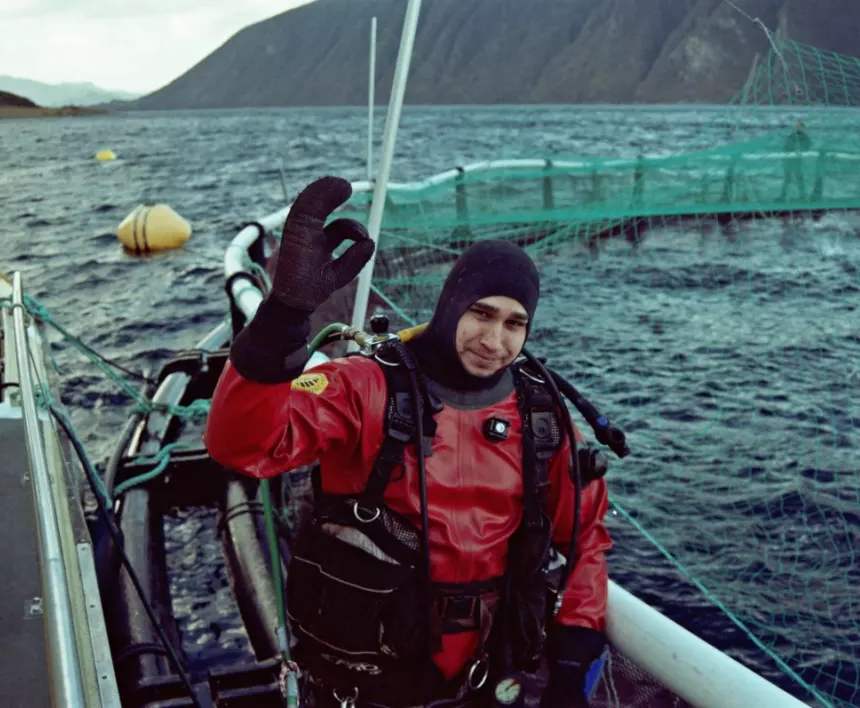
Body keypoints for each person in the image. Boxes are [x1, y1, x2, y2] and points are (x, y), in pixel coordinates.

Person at [204, 176, 611, 708]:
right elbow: (243, 446)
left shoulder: (542, 414)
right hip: (365, 679)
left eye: (515, 323)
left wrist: (572, 661)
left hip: (484, 678)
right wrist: (280, 319)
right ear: (451, 304)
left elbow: (586, 539)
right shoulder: (365, 384)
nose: (494, 341)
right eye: (481, 313)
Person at [780, 120, 811, 201]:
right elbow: (786, 147)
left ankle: (802, 196)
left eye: (800, 127)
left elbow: (807, 147)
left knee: (799, 178)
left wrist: (801, 150)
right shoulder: (792, 136)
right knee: (787, 179)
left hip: (797, 161)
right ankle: (783, 196)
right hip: (790, 160)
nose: (799, 128)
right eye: (798, 126)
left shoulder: (804, 137)